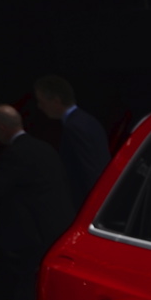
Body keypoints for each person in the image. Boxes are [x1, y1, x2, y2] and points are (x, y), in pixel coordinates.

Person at [0, 104, 73, 300]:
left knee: (29, 280)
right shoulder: (44, 147)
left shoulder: (16, 153)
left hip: (37, 230)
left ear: (1, 127)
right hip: (61, 225)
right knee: (48, 282)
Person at [33, 74, 110, 209]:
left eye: (42, 102)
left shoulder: (74, 127)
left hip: (89, 203)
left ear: (56, 101)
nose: (40, 107)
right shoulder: (87, 120)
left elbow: (88, 169)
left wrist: (93, 207)